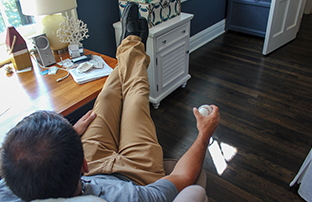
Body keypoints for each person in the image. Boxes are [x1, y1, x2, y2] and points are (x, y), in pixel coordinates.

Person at [0, 2, 220, 202]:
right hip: (137, 175)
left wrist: (70, 135)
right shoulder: (133, 197)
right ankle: (131, 42)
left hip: (91, 166)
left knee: (107, 95)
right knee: (136, 97)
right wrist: (204, 134)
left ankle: (130, 43)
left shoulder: (7, 190)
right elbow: (181, 176)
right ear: (81, 164)